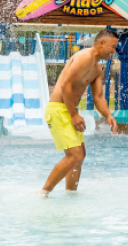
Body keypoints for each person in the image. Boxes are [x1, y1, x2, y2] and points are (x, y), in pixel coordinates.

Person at [40, 29, 118, 196]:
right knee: (74, 155)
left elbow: (98, 97)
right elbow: (65, 85)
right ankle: (43, 193)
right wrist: (74, 115)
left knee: (80, 155)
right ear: (102, 43)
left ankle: (70, 193)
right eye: (113, 46)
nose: (114, 51)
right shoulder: (85, 57)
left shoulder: (97, 69)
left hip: (68, 110)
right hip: (59, 109)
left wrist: (108, 115)